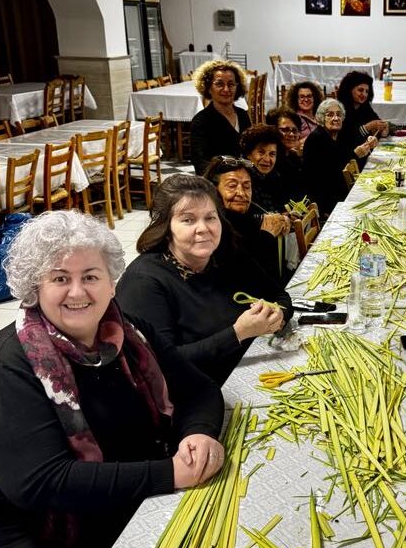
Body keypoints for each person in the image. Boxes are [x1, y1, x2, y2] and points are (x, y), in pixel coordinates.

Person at [0, 210, 225, 548]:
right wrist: (169, 473)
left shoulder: (127, 333)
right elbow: (39, 483)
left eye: (91, 277)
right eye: (60, 278)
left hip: (110, 489)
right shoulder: (11, 363)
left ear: (112, 282)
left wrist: (198, 433)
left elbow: (199, 389)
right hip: (29, 526)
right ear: (35, 286)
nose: (78, 292)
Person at [116, 174, 292, 385]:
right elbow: (159, 365)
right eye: (188, 219)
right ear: (166, 226)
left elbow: (279, 295)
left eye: (210, 217)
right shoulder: (145, 281)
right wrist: (238, 333)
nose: (203, 228)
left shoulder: (227, 255)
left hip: (252, 371)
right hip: (198, 395)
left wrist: (279, 313)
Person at [203, 155, 290, 283]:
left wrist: (282, 220)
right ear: (214, 190)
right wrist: (268, 236)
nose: (241, 193)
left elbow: (257, 218)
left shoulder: (244, 216)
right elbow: (246, 275)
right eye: (232, 186)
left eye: (246, 186)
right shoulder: (213, 227)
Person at [302, 99, 377, 217]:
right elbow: (331, 176)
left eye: (338, 114)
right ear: (321, 118)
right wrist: (356, 154)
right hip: (326, 200)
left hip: (342, 191)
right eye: (330, 115)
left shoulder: (338, 135)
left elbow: (351, 156)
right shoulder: (317, 140)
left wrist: (368, 144)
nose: (336, 118)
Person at [190, 59, 251, 176]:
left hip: (245, 179)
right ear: (208, 88)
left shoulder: (243, 115)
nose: (226, 89)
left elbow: (250, 151)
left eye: (231, 84)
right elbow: (201, 164)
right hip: (217, 184)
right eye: (219, 84)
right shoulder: (201, 121)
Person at [336, 70, 389, 163]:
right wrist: (368, 127)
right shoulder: (340, 109)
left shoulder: (364, 106)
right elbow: (347, 137)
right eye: (360, 90)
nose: (364, 94)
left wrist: (383, 129)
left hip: (365, 154)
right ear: (349, 89)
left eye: (367, 91)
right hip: (348, 158)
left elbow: (377, 123)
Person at [240, 124, 290, 214]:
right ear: (248, 153)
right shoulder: (243, 179)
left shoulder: (274, 177)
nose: (267, 159)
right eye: (261, 152)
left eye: (272, 154)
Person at [265, 107, 307, 202]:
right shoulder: (270, 160)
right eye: (285, 130)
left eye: (295, 130)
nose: (291, 134)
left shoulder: (294, 158)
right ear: (273, 129)